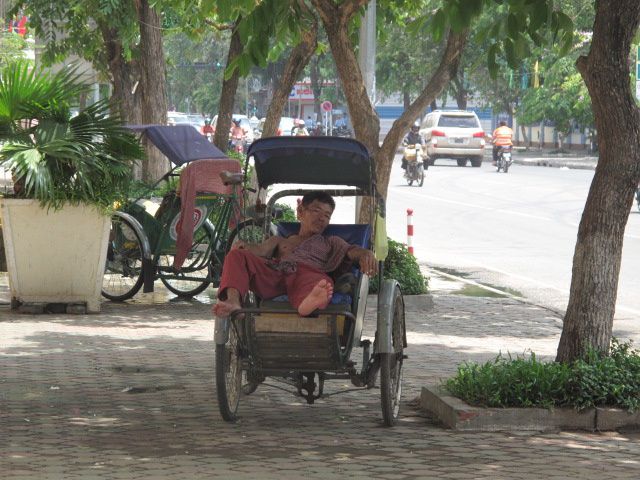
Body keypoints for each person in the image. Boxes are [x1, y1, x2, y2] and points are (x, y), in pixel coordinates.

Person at [213, 191, 378, 318]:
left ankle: (308, 303)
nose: (322, 218)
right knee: (236, 256)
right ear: (301, 212)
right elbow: (260, 251)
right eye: (316, 211)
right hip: (276, 274)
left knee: (322, 282)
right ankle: (233, 302)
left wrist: (366, 253)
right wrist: (245, 247)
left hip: (307, 275)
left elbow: (352, 250)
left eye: (327, 216)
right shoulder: (280, 240)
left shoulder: (330, 241)